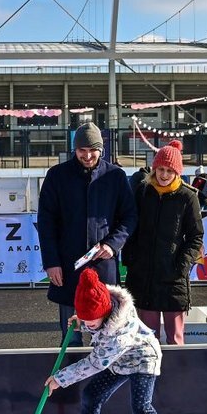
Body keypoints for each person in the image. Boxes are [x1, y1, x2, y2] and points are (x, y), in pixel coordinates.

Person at [45, 267, 192, 414]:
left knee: (141, 407)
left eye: (91, 323)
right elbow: (95, 322)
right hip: (118, 360)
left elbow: (95, 363)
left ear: (105, 314)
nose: (88, 326)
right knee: (92, 394)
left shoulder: (119, 332)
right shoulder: (104, 304)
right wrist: (83, 321)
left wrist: (60, 379)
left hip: (143, 358)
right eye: (87, 321)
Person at [36, 122, 136, 335]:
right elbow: (46, 223)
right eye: (82, 150)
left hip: (103, 265)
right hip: (67, 265)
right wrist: (51, 263)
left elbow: (129, 217)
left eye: (93, 150)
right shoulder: (57, 176)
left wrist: (112, 244)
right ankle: (71, 365)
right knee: (70, 334)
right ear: (75, 149)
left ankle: (107, 367)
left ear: (101, 149)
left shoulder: (115, 176)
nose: (88, 155)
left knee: (108, 331)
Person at [124, 141, 204, 345]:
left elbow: (196, 236)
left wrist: (182, 266)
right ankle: (149, 377)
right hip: (144, 277)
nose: (164, 175)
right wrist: (132, 260)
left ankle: (176, 377)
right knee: (146, 340)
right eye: (161, 169)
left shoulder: (188, 197)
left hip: (173, 278)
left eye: (170, 170)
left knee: (175, 339)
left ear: (177, 172)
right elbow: (130, 227)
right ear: (154, 168)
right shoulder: (142, 192)